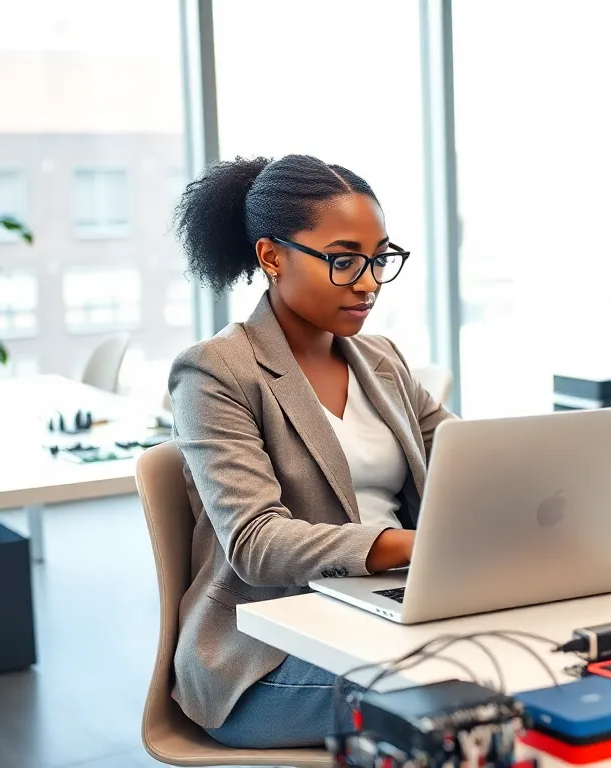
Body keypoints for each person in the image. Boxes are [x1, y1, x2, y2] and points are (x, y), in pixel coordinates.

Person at [168, 154, 452, 748]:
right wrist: (413, 546)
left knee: (546, 652)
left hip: (386, 608)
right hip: (267, 655)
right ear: (272, 257)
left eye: (379, 259)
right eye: (344, 261)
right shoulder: (216, 370)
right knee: (469, 686)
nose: (369, 282)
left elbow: (470, 462)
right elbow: (256, 542)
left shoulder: (382, 360)